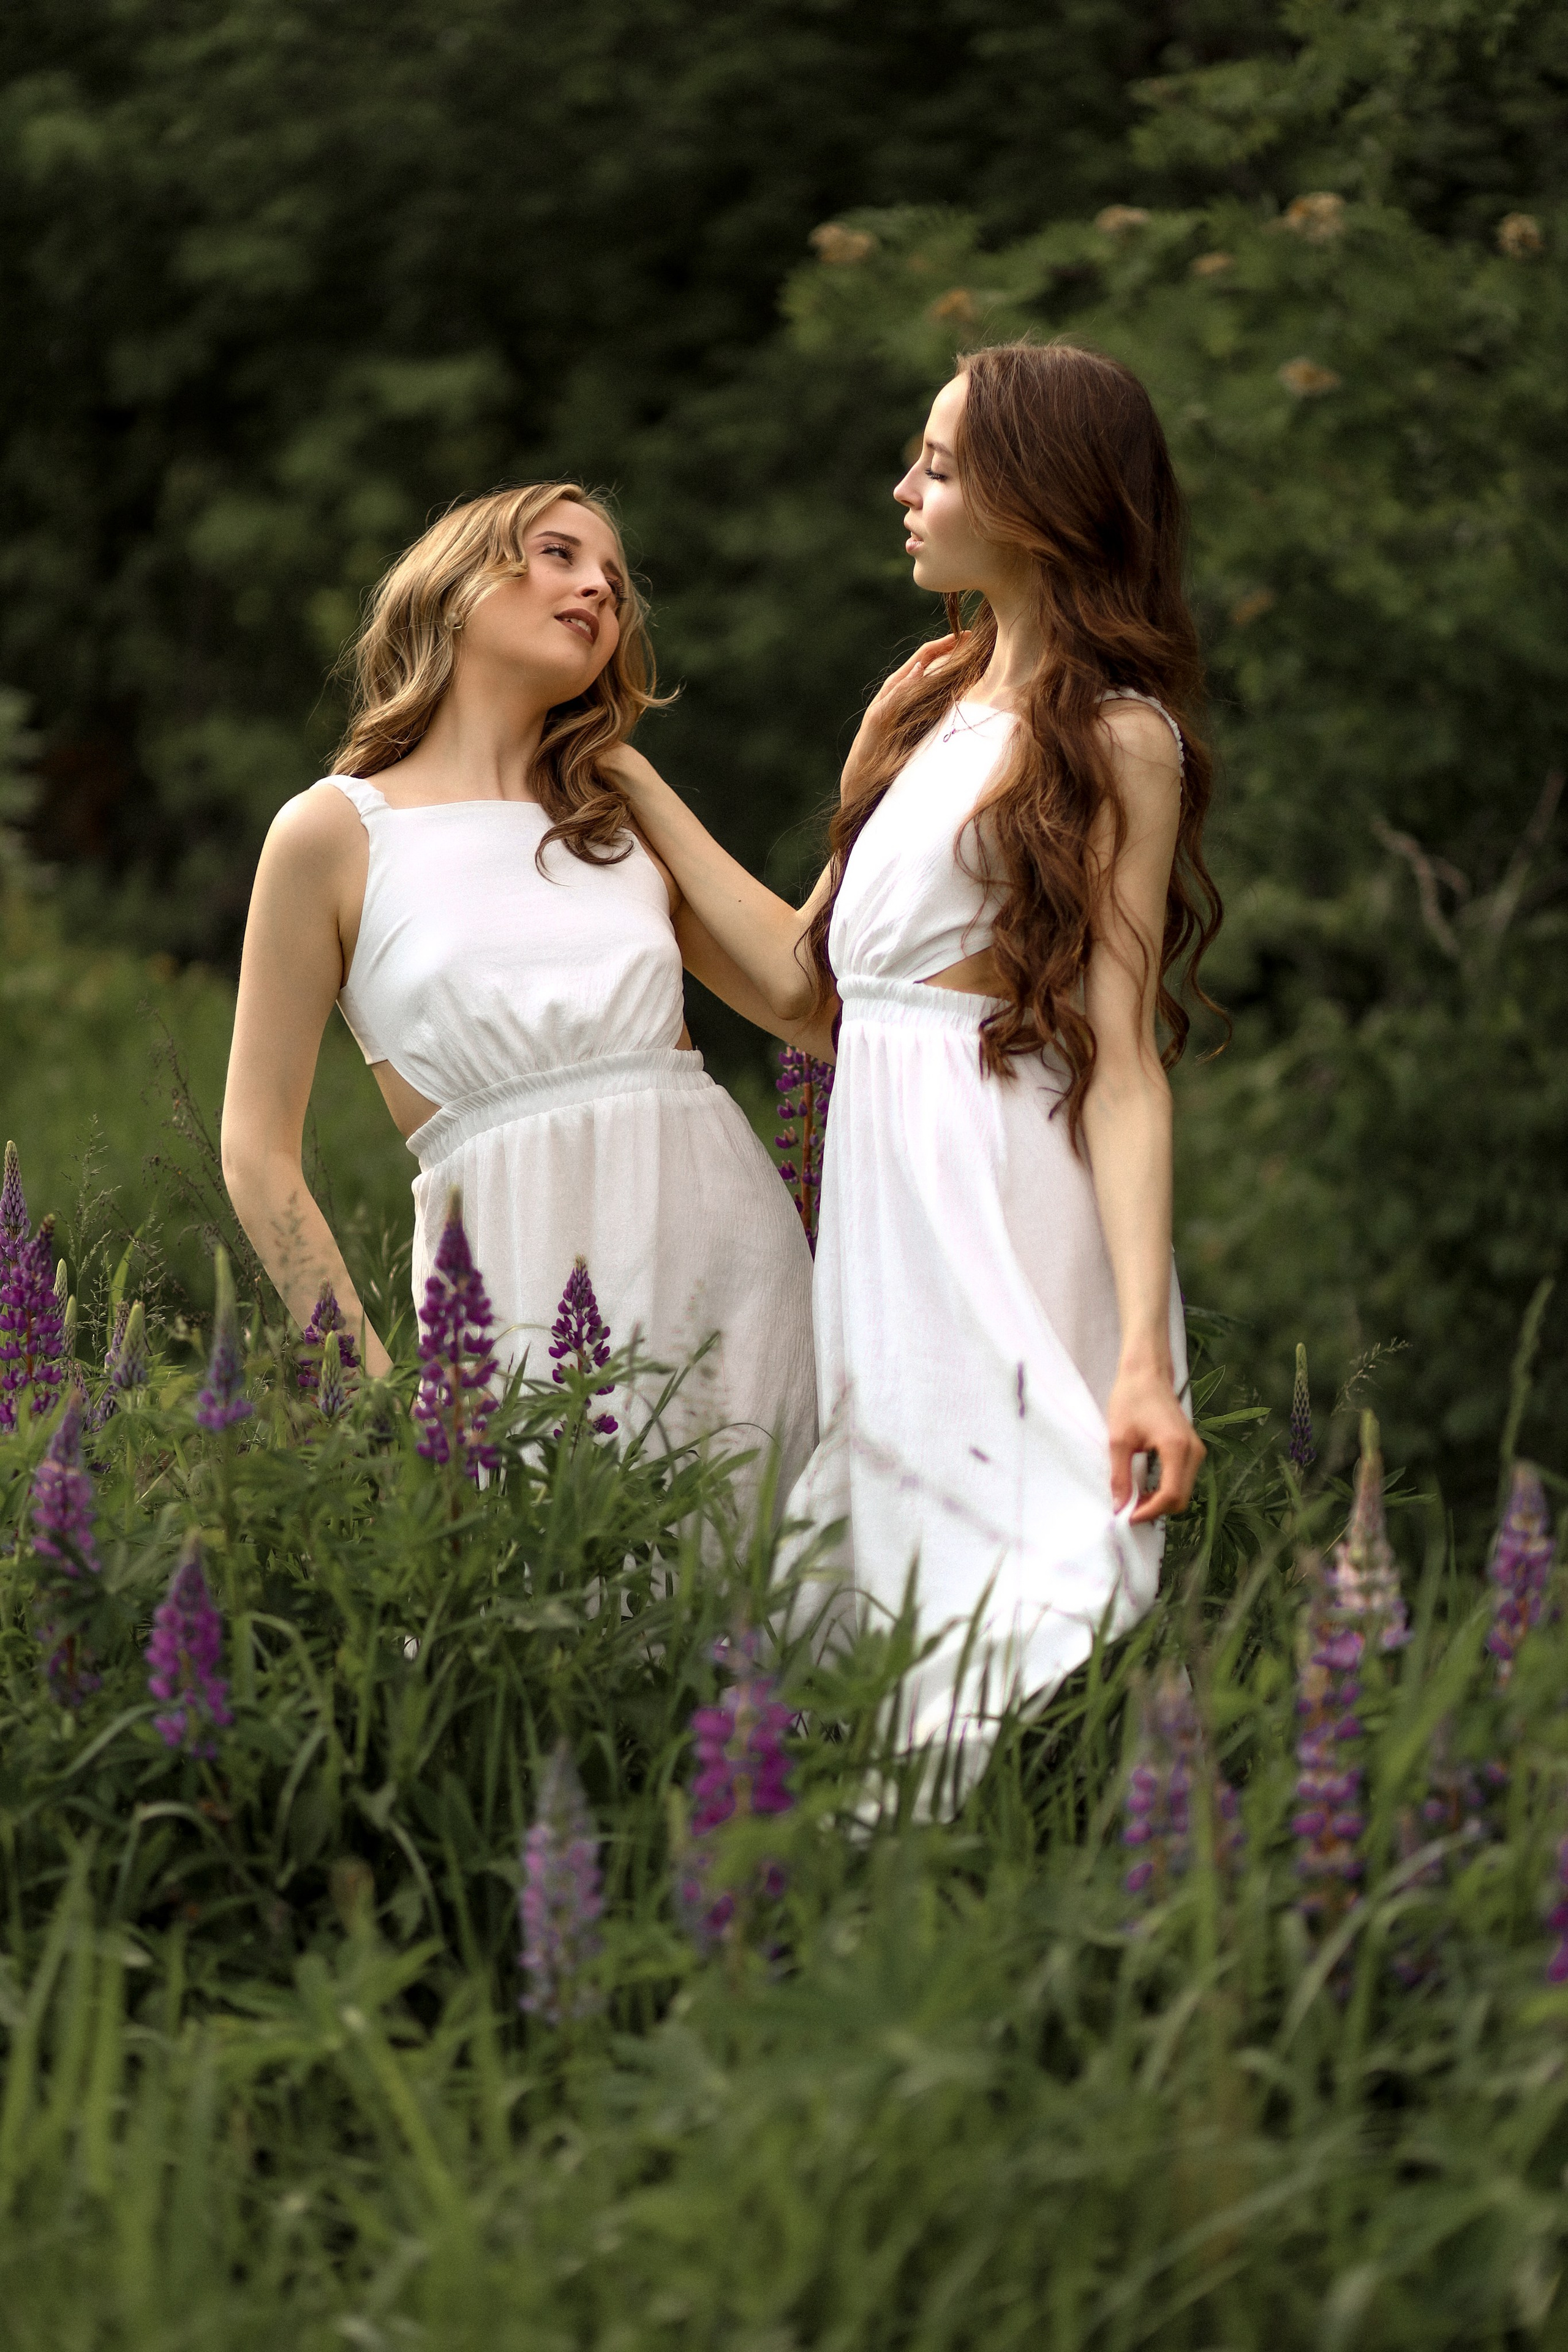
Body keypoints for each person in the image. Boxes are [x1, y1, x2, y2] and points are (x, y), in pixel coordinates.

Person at [608, 341, 1221, 1779]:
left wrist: (1142, 1358)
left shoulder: (1122, 740)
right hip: (882, 1205)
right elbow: (801, 993)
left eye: (937, 466)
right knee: (872, 1568)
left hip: (1001, 1192)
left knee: (1003, 1565)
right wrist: (625, 784)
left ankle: (997, 1883)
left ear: (1031, 499)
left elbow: (1125, 1065)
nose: (902, 489)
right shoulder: (917, 697)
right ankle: (881, 1884)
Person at [222, 482, 816, 1492]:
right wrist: (373, 1398)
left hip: (734, 1280)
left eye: (617, 586)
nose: (597, 589)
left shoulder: (616, 824)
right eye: (558, 554)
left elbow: (810, 1004)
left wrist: (875, 755)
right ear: (456, 587)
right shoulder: (332, 833)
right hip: (512, 1302)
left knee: (770, 1624)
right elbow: (255, 1153)